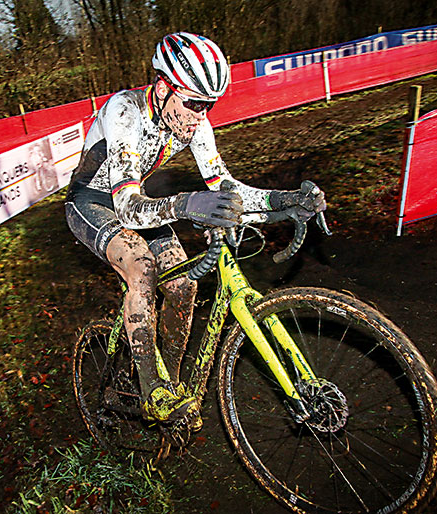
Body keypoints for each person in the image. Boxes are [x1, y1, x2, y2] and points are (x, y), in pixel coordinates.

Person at [65, 32, 326, 428]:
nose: (199, 115)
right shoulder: (125, 111)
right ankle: (152, 388)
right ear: (164, 86)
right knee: (143, 267)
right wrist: (187, 204)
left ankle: (172, 380)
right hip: (94, 203)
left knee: (185, 283)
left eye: (208, 105)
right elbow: (128, 209)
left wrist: (282, 201)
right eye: (193, 103)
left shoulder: (194, 123)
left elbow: (228, 188)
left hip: (139, 200)